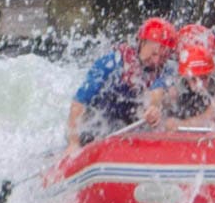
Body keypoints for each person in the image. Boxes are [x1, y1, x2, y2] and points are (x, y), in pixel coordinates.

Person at [65, 17, 177, 154]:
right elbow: (78, 103)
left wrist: (153, 108)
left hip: (127, 129)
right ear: (141, 42)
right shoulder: (111, 63)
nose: (156, 60)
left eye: (162, 56)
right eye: (153, 53)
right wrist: (73, 143)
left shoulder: (165, 69)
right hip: (95, 128)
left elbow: (157, 92)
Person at [159, 44, 215, 131]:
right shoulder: (178, 88)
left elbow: (211, 116)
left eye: (203, 78)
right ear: (185, 77)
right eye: (194, 79)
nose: (199, 84)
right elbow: (161, 100)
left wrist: (180, 125)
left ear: (211, 74)